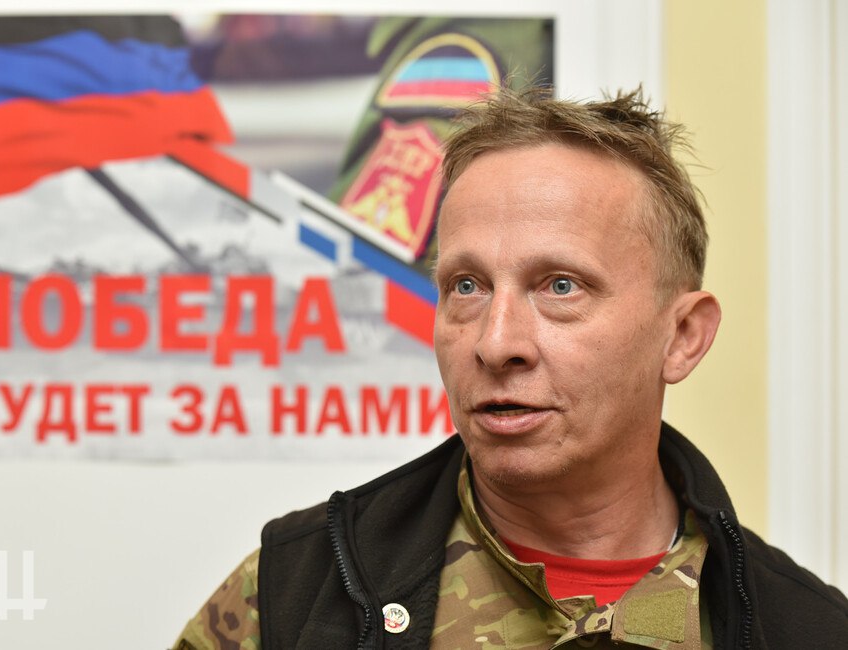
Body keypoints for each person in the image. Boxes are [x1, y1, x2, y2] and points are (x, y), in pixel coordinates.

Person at [171, 87, 848, 649]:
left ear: (682, 337)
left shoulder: (806, 629)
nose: (495, 344)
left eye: (561, 286)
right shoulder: (296, 591)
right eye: (466, 286)